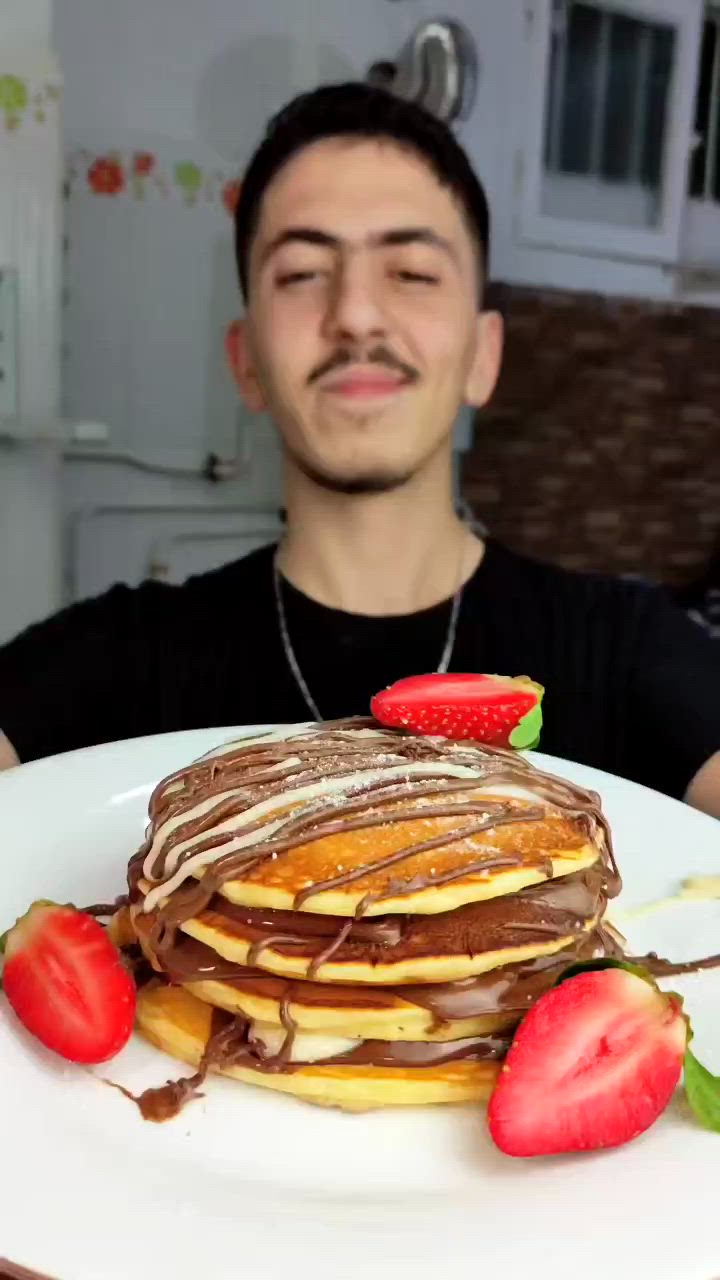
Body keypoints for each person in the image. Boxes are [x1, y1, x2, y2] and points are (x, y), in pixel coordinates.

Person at [1, 83, 719, 817]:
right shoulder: (118, 654)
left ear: (483, 353)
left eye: (411, 272)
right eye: (303, 274)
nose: (355, 314)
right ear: (246, 360)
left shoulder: (630, 648)